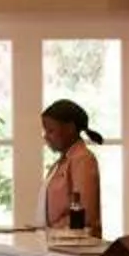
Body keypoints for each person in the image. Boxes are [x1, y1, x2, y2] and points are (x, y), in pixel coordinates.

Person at [39, 99, 107, 233]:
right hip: (58, 243)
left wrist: (51, 232)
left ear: (70, 128)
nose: (46, 137)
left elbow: (84, 214)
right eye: (45, 131)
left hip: (74, 248)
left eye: (51, 130)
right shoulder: (61, 163)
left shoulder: (83, 160)